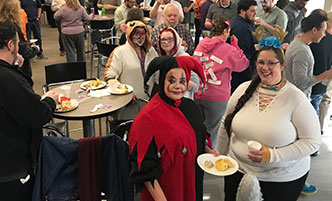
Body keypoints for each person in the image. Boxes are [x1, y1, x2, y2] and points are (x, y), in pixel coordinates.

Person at [217, 38, 321, 201]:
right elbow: (226, 124)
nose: (265, 68)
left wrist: (273, 155)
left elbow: (312, 142)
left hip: (280, 179)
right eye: (261, 62)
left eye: (271, 63)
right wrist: (221, 156)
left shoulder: (296, 99)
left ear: (282, 65)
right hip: (237, 170)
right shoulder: (243, 89)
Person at [128, 55, 219, 201]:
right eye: (171, 80)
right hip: (166, 192)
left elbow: (200, 135)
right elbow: (144, 169)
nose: (178, 86)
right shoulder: (147, 118)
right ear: (162, 79)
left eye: (182, 81)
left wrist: (210, 150)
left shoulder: (190, 107)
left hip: (192, 184)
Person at [0, 20, 58, 201]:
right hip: (13, 171)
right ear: (11, 45)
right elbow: (36, 114)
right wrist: (50, 100)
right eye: (17, 42)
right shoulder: (9, 80)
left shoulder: (9, 76)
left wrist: (15, 68)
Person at [193, 16, 249, 148]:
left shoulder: (201, 45)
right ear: (225, 32)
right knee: (213, 131)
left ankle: (197, 153)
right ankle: (208, 161)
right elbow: (243, 64)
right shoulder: (228, 49)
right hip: (217, 96)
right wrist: (235, 45)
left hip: (199, 92)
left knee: (198, 128)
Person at [104, 20, 158, 119]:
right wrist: (125, 93)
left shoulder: (151, 51)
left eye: (143, 34)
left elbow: (157, 75)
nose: (140, 37)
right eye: (137, 33)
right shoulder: (120, 52)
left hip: (149, 103)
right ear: (129, 34)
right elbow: (110, 76)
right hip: (127, 104)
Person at [157, 26, 199, 99]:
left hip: (182, 102)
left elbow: (195, 86)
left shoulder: (185, 58)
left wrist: (178, 82)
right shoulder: (160, 59)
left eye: (170, 39)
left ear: (176, 40)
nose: (166, 42)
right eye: (163, 40)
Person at [0, 0, 39, 78]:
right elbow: (23, 51)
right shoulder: (13, 28)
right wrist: (35, 49)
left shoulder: (2, 25)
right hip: (17, 67)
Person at [310, 11, 332, 135]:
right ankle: (318, 132)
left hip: (312, 82)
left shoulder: (310, 38)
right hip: (321, 82)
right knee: (321, 104)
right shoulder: (322, 39)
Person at [230, 0, 258, 93]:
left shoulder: (246, 22)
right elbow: (245, 51)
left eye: (255, 10)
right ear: (242, 11)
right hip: (241, 72)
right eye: (252, 11)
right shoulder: (239, 27)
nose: (255, 13)